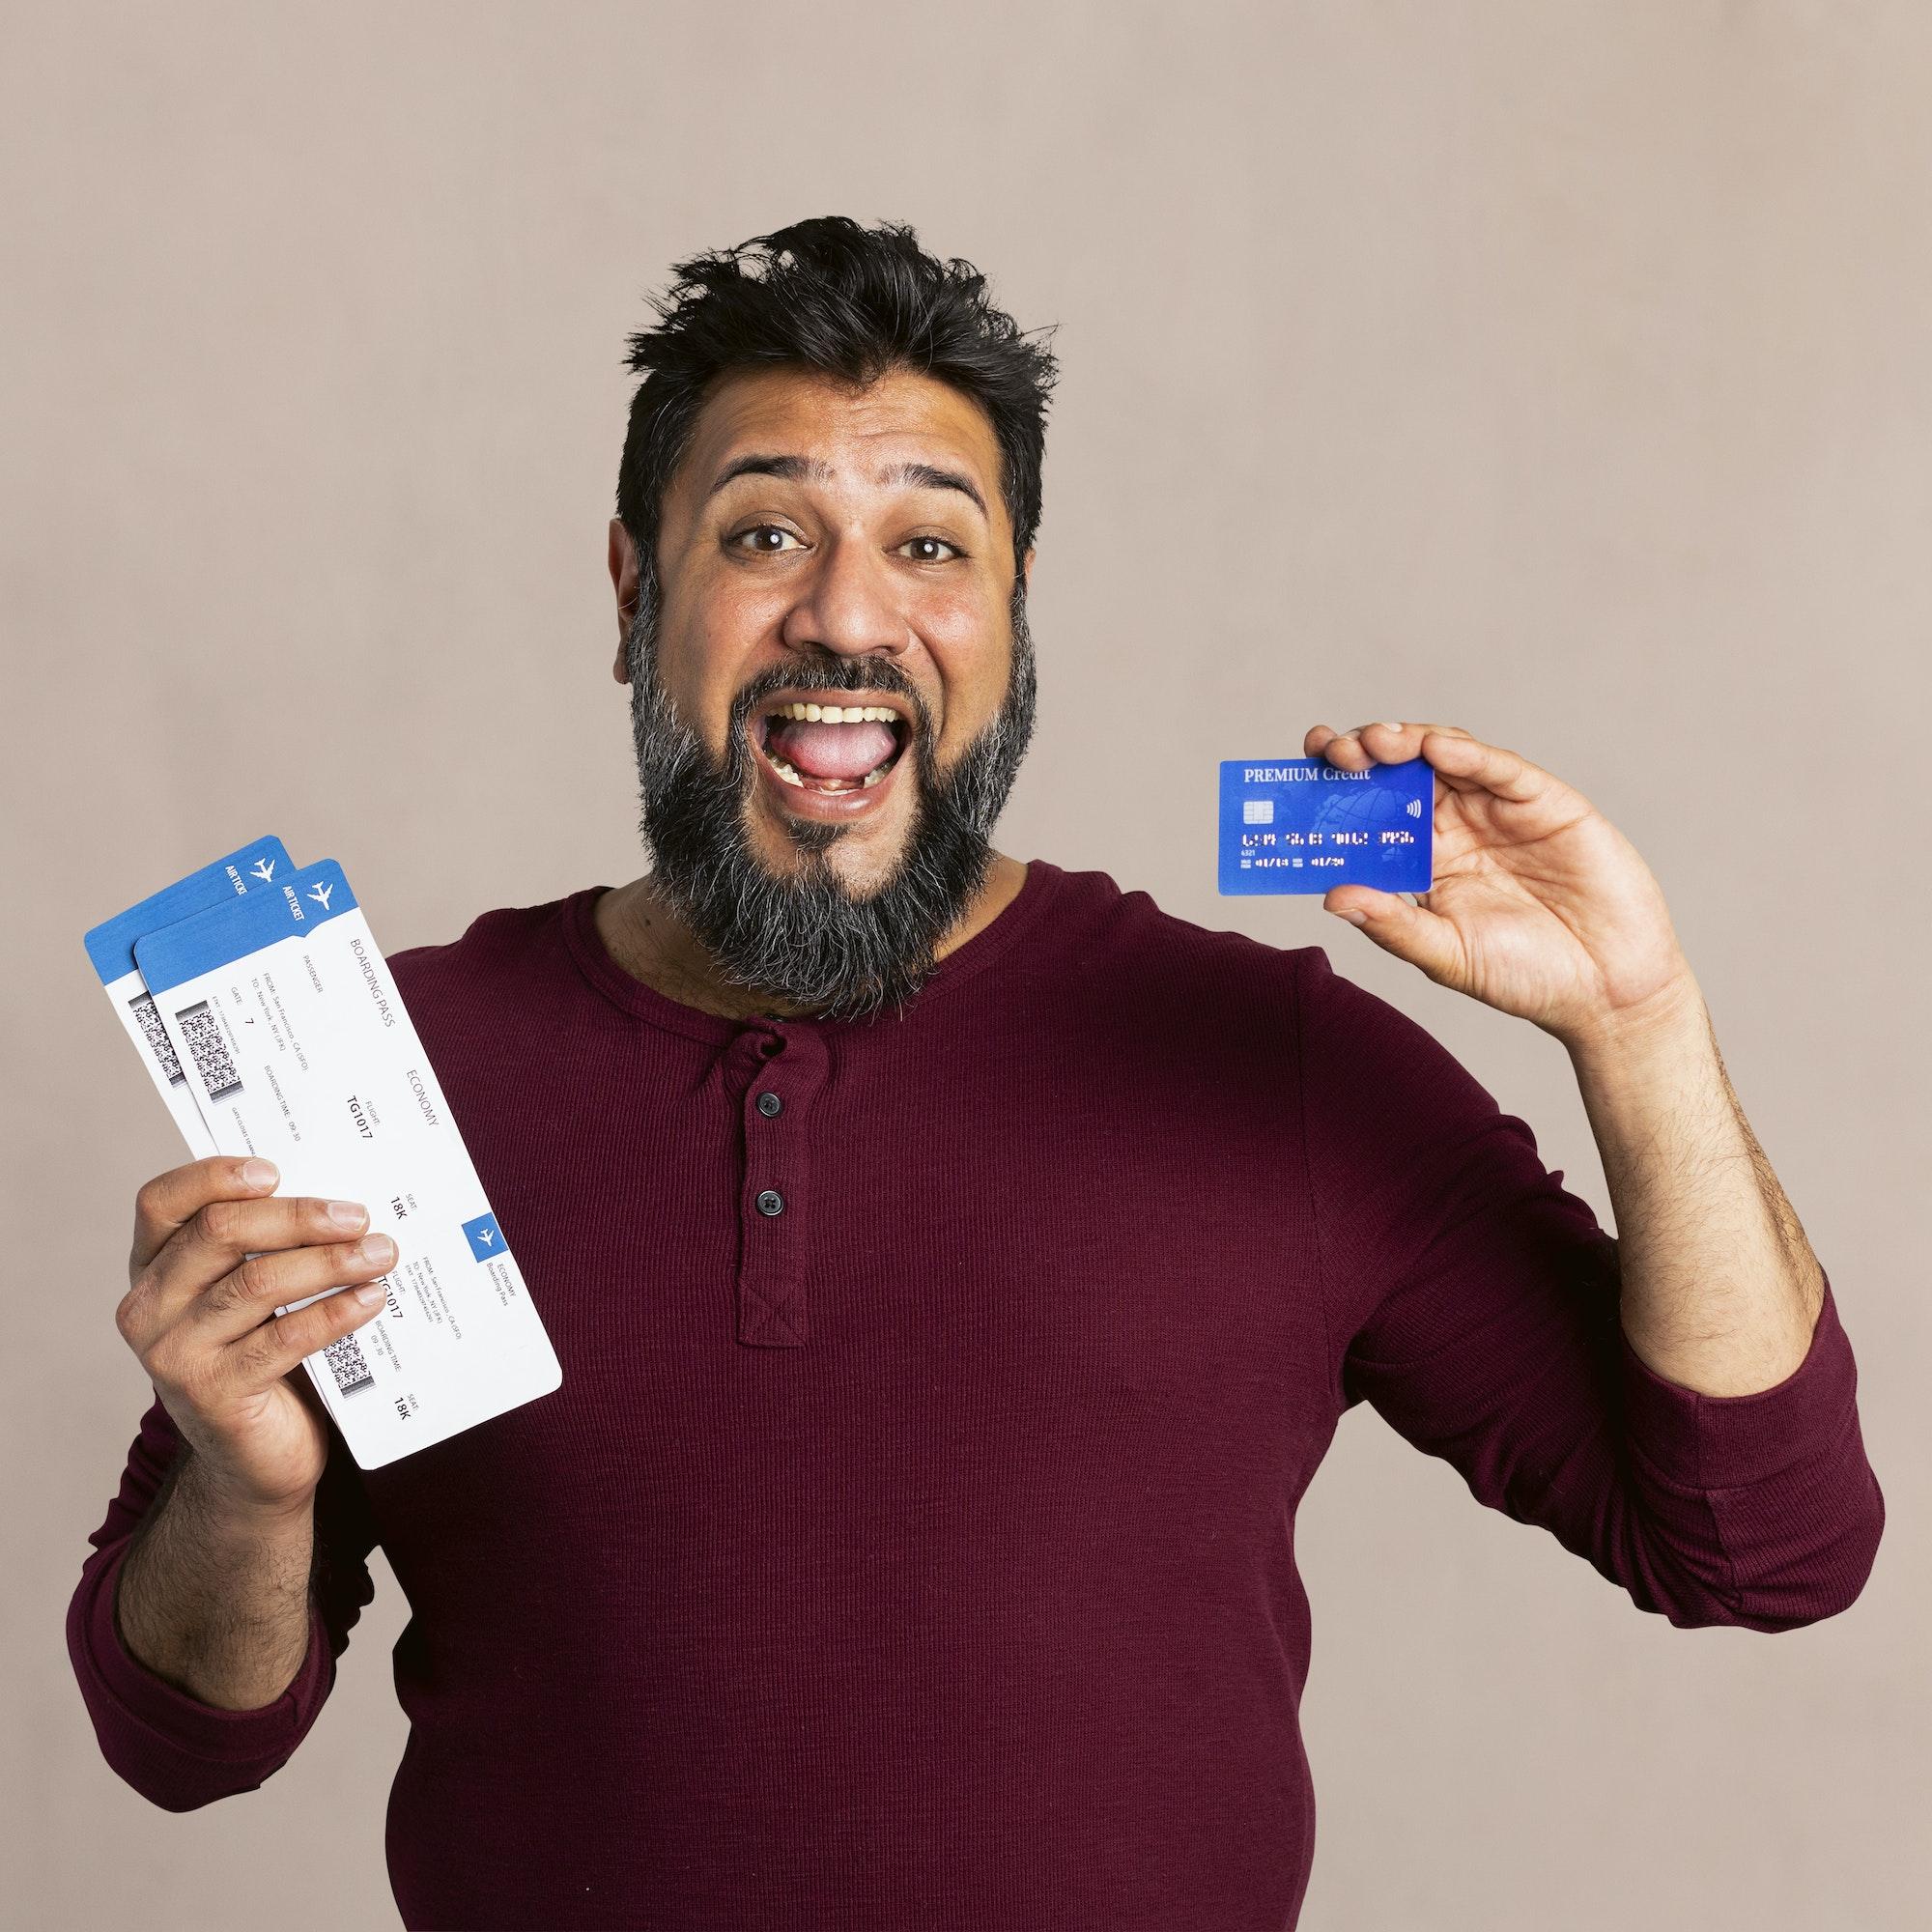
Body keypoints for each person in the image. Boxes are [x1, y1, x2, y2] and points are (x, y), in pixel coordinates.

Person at [67, 215, 1885, 1932]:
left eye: (932, 544)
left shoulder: (1279, 1064)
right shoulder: (396, 1076)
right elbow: (180, 1739)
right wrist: (244, 1485)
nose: (848, 618)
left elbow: (1764, 1542)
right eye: (765, 533)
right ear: (636, 590)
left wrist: (1634, 1025)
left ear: (1011, 620)